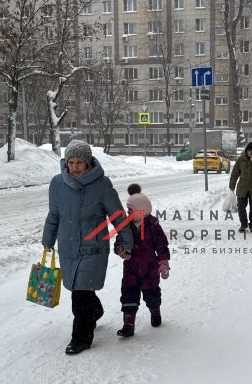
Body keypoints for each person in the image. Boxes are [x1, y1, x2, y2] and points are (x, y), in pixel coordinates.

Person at [41, 140, 134, 355]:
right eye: (71, 162)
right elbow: (54, 215)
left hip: (93, 248)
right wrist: (48, 239)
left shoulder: (101, 184)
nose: (74, 167)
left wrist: (127, 242)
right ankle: (95, 310)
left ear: (88, 163)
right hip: (67, 246)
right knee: (78, 287)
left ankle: (81, 337)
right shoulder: (57, 184)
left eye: (79, 163)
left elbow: (117, 216)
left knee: (80, 293)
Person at [114, 184, 170, 338]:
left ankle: (155, 310)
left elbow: (161, 244)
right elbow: (118, 241)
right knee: (128, 293)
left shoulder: (153, 226)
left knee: (151, 292)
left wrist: (163, 262)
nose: (128, 212)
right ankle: (128, 324)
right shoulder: (126, 225)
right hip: (130, 267)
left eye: (130, 209)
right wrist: (121, 250)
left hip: (150, 267)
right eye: (128, 209)